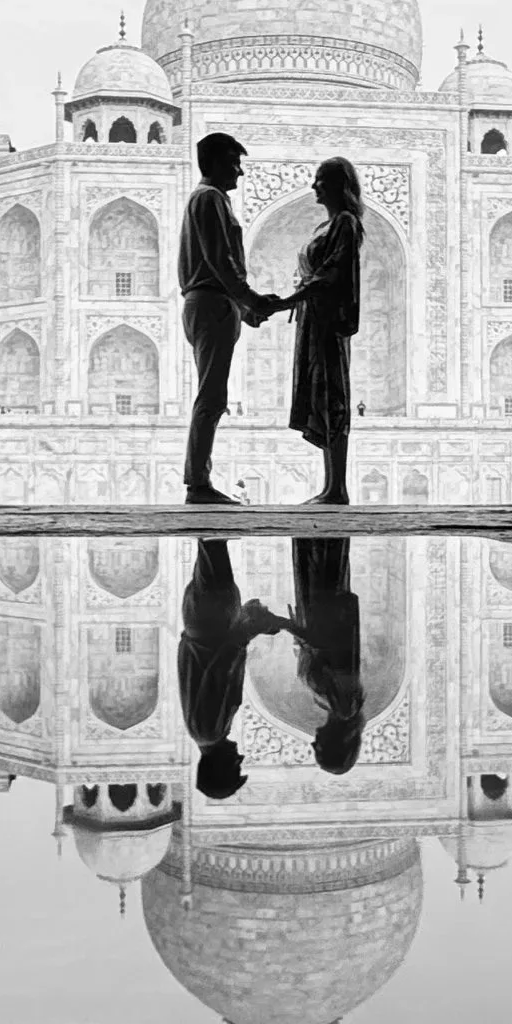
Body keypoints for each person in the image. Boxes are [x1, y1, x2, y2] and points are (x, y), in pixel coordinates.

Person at [178, 131, 277, 504]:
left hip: (213, 303)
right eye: (235, 164)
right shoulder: (210, 198)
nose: (239, 173)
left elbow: (216, 262)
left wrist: (246, 308)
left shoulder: (207, 200)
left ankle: (198, 480)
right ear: (218, 163)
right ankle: (198, 484)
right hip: (212, 303)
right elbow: (221, 260)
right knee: (211, 395)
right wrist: (248, 298)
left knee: (213, 394)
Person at [265, 156, 362, 505]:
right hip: (314, 320)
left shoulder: (346, 224)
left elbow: (330, 276)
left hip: (329, 323)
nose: (314, 186)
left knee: (333, 399)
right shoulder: (329, 226)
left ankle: (338, 488)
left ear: (338, 184)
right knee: (322, 398)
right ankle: (330, 486)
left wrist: (285, 302)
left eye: (320, 179)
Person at [178, 537, 292, 799]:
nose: (239, 757)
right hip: (208, 619)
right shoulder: (205, 731)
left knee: (213, 539)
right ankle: (205, 500)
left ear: (219, 768)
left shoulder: (209, 730)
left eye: (234, 767)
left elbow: (221, 666)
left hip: (212, 617)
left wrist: (251, 630)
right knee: (211, 544)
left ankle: (203, 499)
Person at [288, 536, 364, 775]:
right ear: (336, 745)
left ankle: (327, 505)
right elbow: (332, 647)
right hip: (326, 608)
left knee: (319, 553)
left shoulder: (338, 706)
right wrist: (283, 625)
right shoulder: (345, 706)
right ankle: (333, 503)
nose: (313, 743)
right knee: (323, 553)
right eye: (319, 749)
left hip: (319, 611)